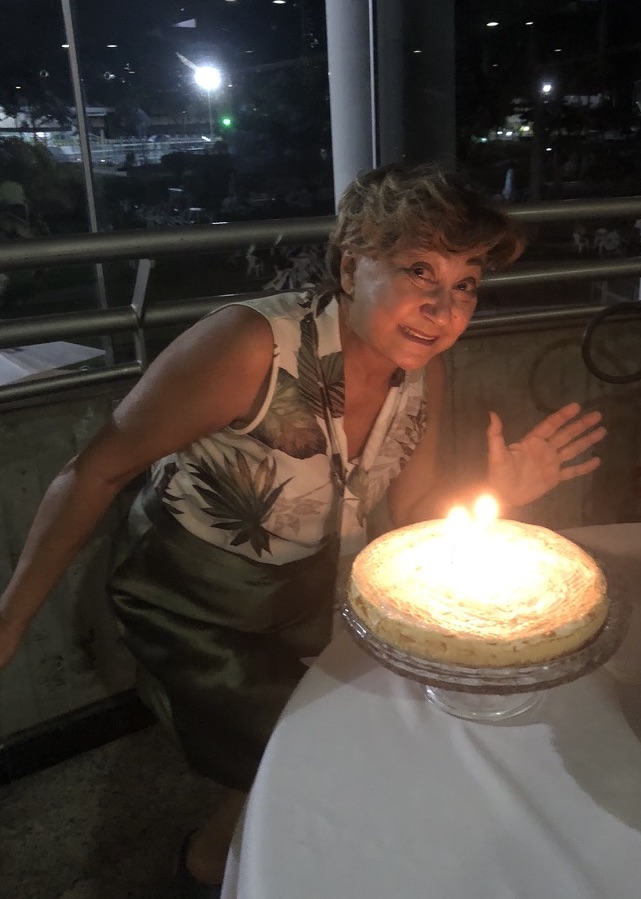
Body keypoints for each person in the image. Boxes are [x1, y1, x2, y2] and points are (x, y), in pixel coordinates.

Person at [0, 162, 606, 898]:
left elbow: (409, 515)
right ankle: (209, 866)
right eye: (419, 270)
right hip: (189, 605)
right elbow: (90, 473)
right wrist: (10, 620)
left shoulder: (420, 370)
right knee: (313, 743)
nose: (442, 308)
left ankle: (220, 860)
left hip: (311, 589)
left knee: (345, 736)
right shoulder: (250, 346)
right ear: (351, 267)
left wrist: (499, 494)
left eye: (466, 284)